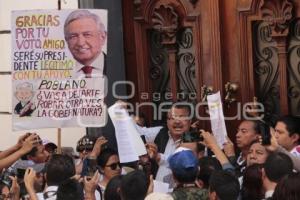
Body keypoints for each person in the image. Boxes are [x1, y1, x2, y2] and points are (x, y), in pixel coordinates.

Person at [137, 103, 192, 182]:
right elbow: (137, 132)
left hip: (182, 192)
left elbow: (183, 164)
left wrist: (158, 156)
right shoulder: (160, 132)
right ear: (167, 121)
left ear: (190, 121)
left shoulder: (196, 141)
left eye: (182, 117)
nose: (177, 122)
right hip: (157, 191)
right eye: (172, 118)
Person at [64, 10, 107, 78]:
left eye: (87, 34)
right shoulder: (58, 73)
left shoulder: (121, 66)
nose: (80, 43)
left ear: (102, 37)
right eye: (73, 36)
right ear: (66, 40)